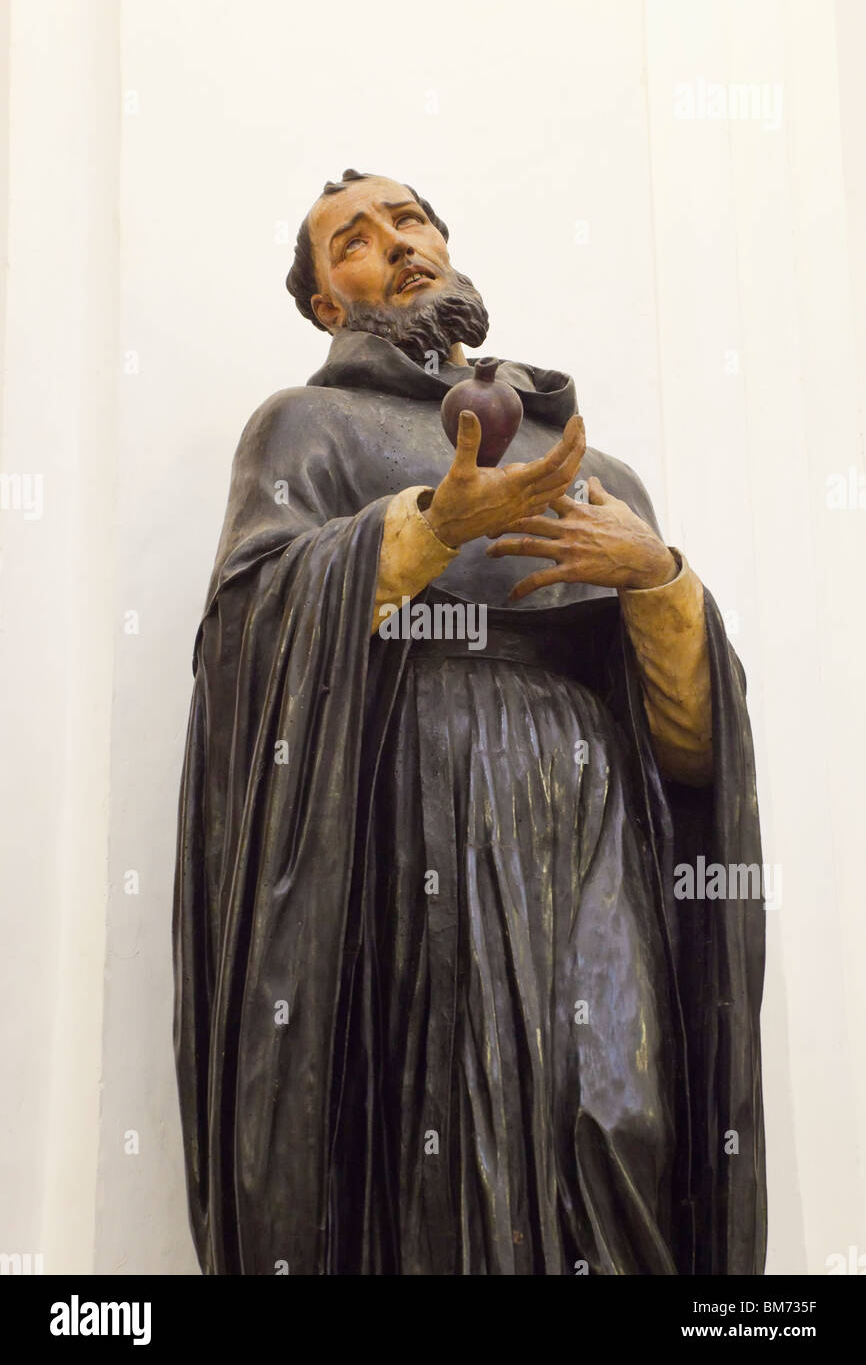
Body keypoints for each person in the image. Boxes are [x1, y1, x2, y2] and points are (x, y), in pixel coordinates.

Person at [173, 168, 767, 1275]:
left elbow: (688, 757)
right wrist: (418, 532)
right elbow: (246, 645)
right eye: (353, 240)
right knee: (444, 1133)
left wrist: (660, 585)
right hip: (411, 806)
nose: (395, 244)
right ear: (326, 304)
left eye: (410, 221)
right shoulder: (308, 428)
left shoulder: (591, 466)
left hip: (592, 819)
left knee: (620, 1113)